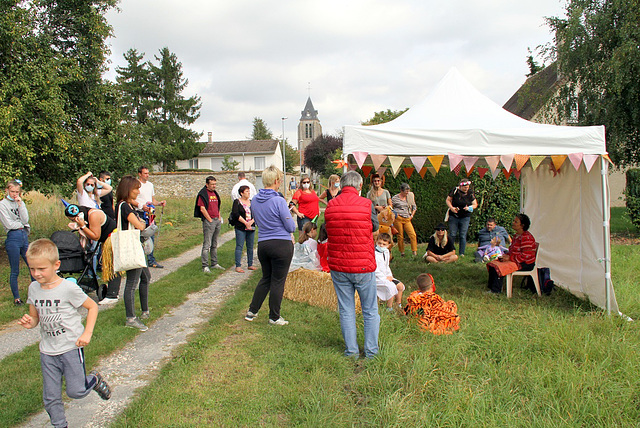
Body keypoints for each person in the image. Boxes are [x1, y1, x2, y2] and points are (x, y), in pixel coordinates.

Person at [18, 239, 111, 428]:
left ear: (56, 265)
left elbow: (92, 306)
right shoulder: (33, 288)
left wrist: (87, 333)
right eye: (32, 269)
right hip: (47, 351)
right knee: (50, 397)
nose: (36, 274)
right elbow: (35, 317)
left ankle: (93, 380)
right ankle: (60, 425)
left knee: (76, 391)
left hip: (70, 347)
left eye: (41, 269)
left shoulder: (68, 288)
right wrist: (30, 322)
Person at [325, 171, 380, 359]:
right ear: (360, 186)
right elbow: (375, 227)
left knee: (346, 310)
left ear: (342, 185)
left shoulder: (331, 205)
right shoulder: (367, 204)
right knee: (370, 310)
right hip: (363, 265)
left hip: (339, 266)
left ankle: (351, 352)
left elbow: (327, 229)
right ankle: (372, 352)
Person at [244, 166, 296, 325]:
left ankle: (252, 311)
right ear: (275, 181)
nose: (280, 182)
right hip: (281, 244)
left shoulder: (255, 201)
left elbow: (257, 221)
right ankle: (274, 316)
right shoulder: (278, 200)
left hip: (263, 244)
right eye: (279, 180)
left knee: (266, 278)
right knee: (278, 281)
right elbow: (291, 227)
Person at [64, 203, 121, 305]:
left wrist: (83, 226)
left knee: (113, 265)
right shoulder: (87, 216)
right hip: (107, 239)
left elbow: (95, 236)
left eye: (73, 219)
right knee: (110, 265)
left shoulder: (93, 215)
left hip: (112, 238)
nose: (73, 221)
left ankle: (112, 295)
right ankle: (112, 292)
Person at [116, 176, 151, 330]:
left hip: (136, 247)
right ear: (128, 189)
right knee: (131, 283)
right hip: (131, 248)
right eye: (136, 188)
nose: (138, 191)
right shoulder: (124, 206)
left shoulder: (128, 205)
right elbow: (140, 226)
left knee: (146, 277)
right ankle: (130, 318)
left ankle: (145, 310)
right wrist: (143, 222)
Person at [486, 213, 537, 294]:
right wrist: (507, 256)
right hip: (517, 259)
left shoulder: (527, 238)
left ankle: (496, 291)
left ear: (522, 225)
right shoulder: (517, 235)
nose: (513, 223)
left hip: (525, 263)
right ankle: (492, 287)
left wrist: (510, 258)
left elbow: (526, 256)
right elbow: (513, 250)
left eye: (516, 222)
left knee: (499, 267)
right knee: (493, 263)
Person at [0, 180, 31, 305]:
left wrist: (20, 204)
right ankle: (17, 298)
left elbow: (25, 219)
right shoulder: (3, 204)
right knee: (15, 269)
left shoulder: (19, 202)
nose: (14, 194)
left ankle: (36, 294)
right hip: (13, 236)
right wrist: (21, 224)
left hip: (24, 234)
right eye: (12, 191)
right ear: (7, 190)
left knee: (32, 264)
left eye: (17, 192)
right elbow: (8, 224)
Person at [135, 166, 166, 268]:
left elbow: (152, 200)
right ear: (140, 174)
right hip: (140, 213)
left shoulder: (150, 185)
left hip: (150, 213)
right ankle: (140, 260)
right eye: (145, 173)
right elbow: (132, 199)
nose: (147, 175)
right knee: (141, 237)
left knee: (151, 235)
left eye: (148, 173)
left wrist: (159, 203)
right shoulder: (136, 185)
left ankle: (151, 260)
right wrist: (141, 206)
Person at [194, 176, 224, 273]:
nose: (214, 186)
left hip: (216, 220)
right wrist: (209, 220)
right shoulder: (203, 194)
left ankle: (214, 263)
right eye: (212, 184)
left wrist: (219, 217)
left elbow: (217, 206)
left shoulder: (215, 193)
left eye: (215, 184)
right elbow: (202, 208)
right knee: (207, 244)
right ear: (207, 184)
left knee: (214, 244)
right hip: (209, 221)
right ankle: (205, 265)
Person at [446, 179, 478, 257]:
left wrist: (470, 208)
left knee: (463, 235)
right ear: (461, 186)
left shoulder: (470, 193)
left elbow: (475, 204)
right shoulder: (455, 190)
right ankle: (450, 251)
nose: (466, 189)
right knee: (452, 234)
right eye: (465, 188)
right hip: (454, 216)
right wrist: (452, 208)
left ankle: (461, 253)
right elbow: (448, 200)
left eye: (467, 187)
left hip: (465, 217)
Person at [374, 233, 405, 311]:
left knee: (400, 286)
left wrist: (390, 276)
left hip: (386, 276)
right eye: (379, 243)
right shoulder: (374, 253)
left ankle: (398, 304)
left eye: (384, 244)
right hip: (377, 278)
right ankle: (389, 308)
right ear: (376, 242)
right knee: (391, 287)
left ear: (388, 245)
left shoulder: (386, 252)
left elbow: (386, 266)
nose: (381, 246)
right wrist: (385, 278)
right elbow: (375, 270)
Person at [231, 185, 257, 273]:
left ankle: (250, 264)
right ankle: (238, 265)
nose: (248, 193)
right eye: (246, 191)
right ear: (241, 193)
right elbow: (236, 214)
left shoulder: (252, 202)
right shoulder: (237, 202)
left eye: (249, 191)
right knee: (239, 245)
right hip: (241, 227)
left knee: (250, 246)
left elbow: (256, 213)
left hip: (251, 226)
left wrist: (251, 222)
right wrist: (245, 223)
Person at [391, 183, 418, 256]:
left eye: (408, 190)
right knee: (400, 235)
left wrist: (412, 215)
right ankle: (402, 252)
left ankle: (414, 251)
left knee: (412, 234)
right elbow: (390, 207)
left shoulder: (410, 196)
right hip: (398, 218)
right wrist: (395, 214)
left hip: (407, 218)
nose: (407, 192)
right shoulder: (395, 198)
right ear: (401, 190)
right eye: (405, 191)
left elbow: (414, 207)